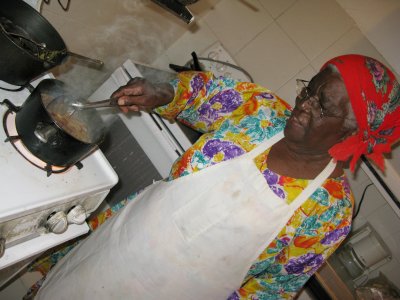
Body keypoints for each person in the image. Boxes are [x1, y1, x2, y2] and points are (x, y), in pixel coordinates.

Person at [33, 54, 400, 299]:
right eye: (309, 89)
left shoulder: (329, 213)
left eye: (323, 106)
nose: (304, 103)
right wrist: (164, 91)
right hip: (115, 249)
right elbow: (197, 94)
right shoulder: (260, 112)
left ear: (353, 134)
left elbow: (270, 290)